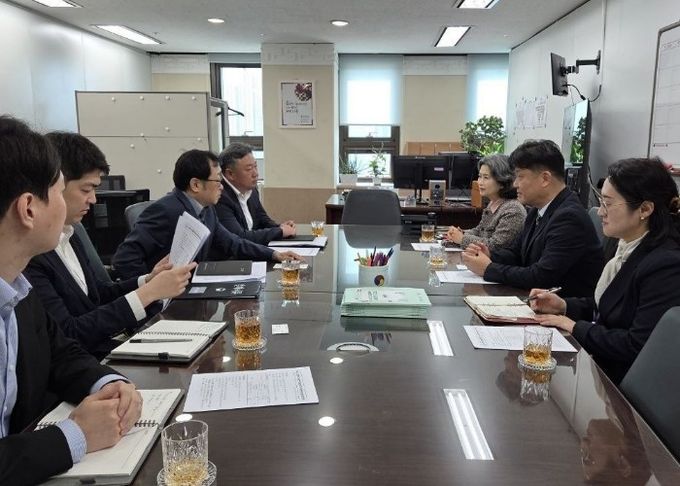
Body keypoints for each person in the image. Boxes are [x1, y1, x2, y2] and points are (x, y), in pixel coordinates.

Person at [0, 116, 142, 485]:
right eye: (60, 191)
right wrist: (74, 435)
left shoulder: (18, 288)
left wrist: (107, 383)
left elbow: (61, 354)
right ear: (28, 209)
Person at [25, 132, 196, 359]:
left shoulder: (70, 233)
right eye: (86, 190)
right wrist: (147, 294)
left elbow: (99, 293)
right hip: (86, 359)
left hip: (98, 351)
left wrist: (147, 281)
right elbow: (68, 335)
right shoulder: (31, 253)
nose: (94, 199)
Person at [529, 158, 680, 384]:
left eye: (608, 203)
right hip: (601, 367)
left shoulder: (665, 264)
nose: (600, 212)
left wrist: (574, 326)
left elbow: (637, 345)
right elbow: (611, 307)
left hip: (622, 384)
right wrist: (564, 306)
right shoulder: (624, 244)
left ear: (645, 209)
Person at [112, 149, 300, 279]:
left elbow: (233, 242)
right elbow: (124, 259)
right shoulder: (165, 210)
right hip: (166, 298)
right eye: (217, 181)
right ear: (195, 185)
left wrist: (274, 255)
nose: (222, 187)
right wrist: (149, 288)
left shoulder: (206, 209)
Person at [462, 139, 604, 297]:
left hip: (561, 306)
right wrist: (490, 254)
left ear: (545, 179)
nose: (515, 184)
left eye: (520, 177)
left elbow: (540, 277)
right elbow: (516, 254)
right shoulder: (537, 210)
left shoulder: (569, 217)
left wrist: (488, 269)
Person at [216, 142, 296, 244]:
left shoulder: (251, 189)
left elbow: (262, 219)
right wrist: (279, 232)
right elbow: (238, 237)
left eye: (255, 166)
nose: (256, 174)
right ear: (230, 174)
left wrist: (281, 227)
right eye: (249, 169)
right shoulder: (219, 196)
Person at [445, 154, 526, 250]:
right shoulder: (493, 203)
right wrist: (460, 233)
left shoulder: (513, 210)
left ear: (502, 182)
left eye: (486, 177)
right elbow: (479, 231)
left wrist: (462, 239)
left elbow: (496, 246)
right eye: (480, 176)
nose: (480, 182)